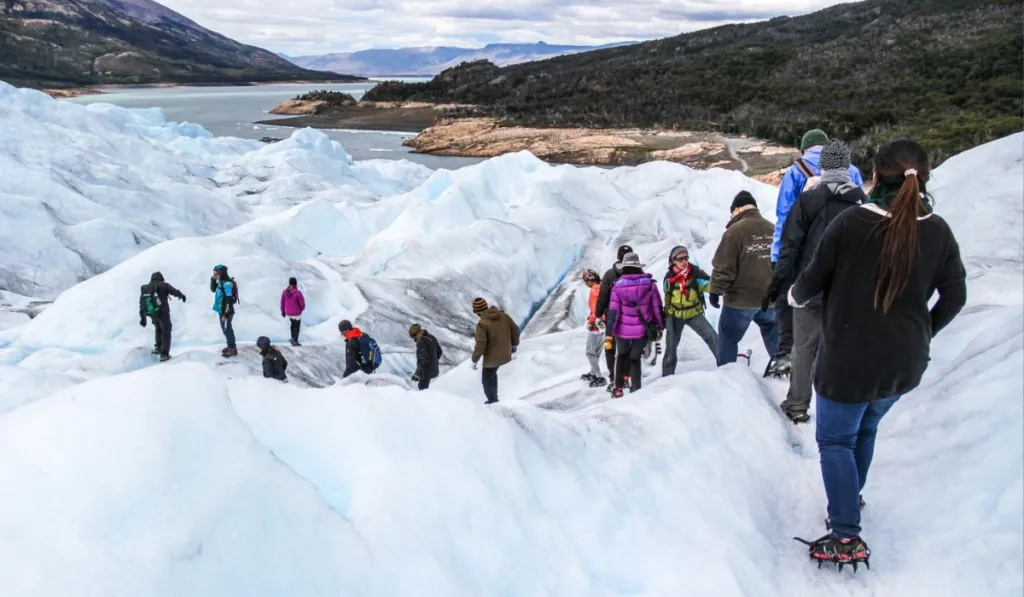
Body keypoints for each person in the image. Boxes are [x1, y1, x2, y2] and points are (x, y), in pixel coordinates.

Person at [789, 139, 966, 567]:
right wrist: (922, 333)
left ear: (874, 175)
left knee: (836, 440)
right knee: (865, 429)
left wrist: (793, 295)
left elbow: (810, 282)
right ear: (923, 177)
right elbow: (956, 295)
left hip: (849, 361)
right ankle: (851, 499)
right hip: (904, 363)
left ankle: (846, 533)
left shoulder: (852, 223)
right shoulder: (938, 229)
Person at [766, 140, 868, 423]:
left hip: (809, 287)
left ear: (823, 166)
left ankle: (797, 404)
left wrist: (778, 280)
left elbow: (791, 245)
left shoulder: (808, 200)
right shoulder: (862, 203)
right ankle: (837, 407)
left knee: (803, 348)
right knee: (838, 348)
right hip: (847, 291)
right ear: (846, 167)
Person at [709, 191, 779, 366]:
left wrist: (715, 291)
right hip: (771, 299)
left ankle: (726, 374)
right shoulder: (773, 229)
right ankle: (782, 369)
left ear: (737, 209)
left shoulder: (734, 232)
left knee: (728, 338)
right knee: (773, 332)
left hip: (741, 300)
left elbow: (724, 267)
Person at [605, 253, 664, 398]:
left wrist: (609, 332)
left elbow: (613, 311)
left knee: (621, 356)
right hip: (642, 330)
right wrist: (660, 325)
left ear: (624, 268)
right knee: (635, 359)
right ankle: (636, 390)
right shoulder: (650, 285)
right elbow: (657, 307)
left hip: (622, 331)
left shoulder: (617, 287)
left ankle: (618, 389)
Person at [661, 246, 717, 375]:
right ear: (673, 261)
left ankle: (727, 365)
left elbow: (711, 286)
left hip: (693, 313)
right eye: (680, 259)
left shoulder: (696, 276)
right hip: (674, 315)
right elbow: (667, 295)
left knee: (712, 336)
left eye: (686, 258)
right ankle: (667, 379)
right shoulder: (669, 278)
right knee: (670, 349)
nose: (684, 261)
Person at [594, 244, 633, 391]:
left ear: (618, 256)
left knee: (610, 348)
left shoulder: (610, 274)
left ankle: (613, 379)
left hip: (612, 317)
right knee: (627, 348)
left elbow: (603, 297)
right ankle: (625, 377)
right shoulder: (637, 273)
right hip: (630, 317)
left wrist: (598, 314)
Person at [470, 298, 520, 404]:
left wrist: (474, 360)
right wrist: (514, 346)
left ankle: (492, 401)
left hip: (492, 358)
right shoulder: (504, 316)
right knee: (492, 374)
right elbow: (515, 330)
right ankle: (494, 398)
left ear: (477, 312)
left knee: (487, 379)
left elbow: (480, 345)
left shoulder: (482, 324)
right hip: (506, 354)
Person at [138, 271, 186, 362]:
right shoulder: (164, 285)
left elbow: (142, 304)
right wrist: (182, 296)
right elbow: (174, 291)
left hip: (153, 313)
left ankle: (158, 348)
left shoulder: (147, 288)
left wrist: (143, 318)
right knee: (166, 331)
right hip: (163, 312)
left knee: (158, 328)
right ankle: (164, 354)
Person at [580, 268, 607, 388]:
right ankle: (593, 372)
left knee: (590, 352)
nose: (586, 284)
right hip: (605, 324)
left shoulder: (594, 290)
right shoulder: (603, 287)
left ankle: (598, 376)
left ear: (590, 280)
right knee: (596, 352)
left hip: (596, 325)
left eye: (586, 281)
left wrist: (590, 321)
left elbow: (596, 310)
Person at [210, 264, 238, 357]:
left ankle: (232, 349)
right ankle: (230, 346)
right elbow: (213, 289)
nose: (214, 275)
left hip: (226, 311)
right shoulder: (221, 281)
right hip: (221, 310)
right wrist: (213, 279)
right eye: (214, 273)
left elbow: (228, 300)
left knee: (227, 330)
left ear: (221, 273)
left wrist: (226, 315)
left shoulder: (227, 284)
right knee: (225, 329)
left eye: (216, 274)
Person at [409, 323, 442, 390]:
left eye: (412, 336)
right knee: (425, 388)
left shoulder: (421, 342)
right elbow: (439, 352)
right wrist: (433, 361)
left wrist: (417, 374)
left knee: (422, 389)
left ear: (415, 334)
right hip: (433, 369)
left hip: (426, 372)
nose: (413, 339)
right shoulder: (431, 337)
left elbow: (423, 360)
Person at [280, 277, 306, 346]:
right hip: (296, 313)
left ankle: (292, 339)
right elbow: (302, 302)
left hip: (288, 312)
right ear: (295, 283)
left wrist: (283, 311)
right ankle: (295, 341)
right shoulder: (298, 292)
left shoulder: (285, 292)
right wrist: (302, 308)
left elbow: (282, 302)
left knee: (292, 325)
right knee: (297, 326)